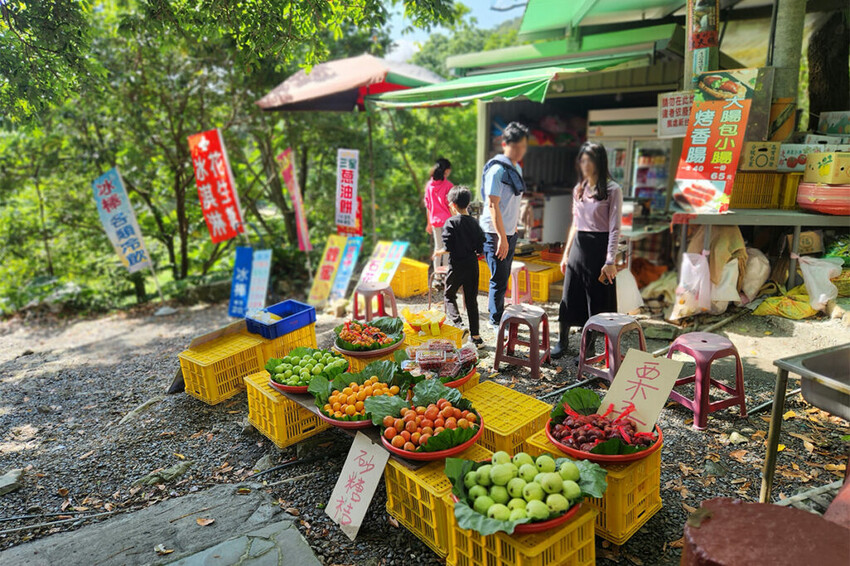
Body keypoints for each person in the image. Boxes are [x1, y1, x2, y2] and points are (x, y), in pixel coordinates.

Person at [551, 141, 622, 359]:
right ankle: (562, 342)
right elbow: (575, 222)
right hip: (578, 247)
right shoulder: (579, 189)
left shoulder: (612, 189)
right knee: (569, 295)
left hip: (599, 248)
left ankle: (588, 348)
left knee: (595, 299)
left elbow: (614, 227)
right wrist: (566, 254)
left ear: (599, 161)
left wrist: (610, 260)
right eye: (582, 160)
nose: (585, 164)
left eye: (589, 159)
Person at [479, 122, 528, 328]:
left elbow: (513, 201)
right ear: (504, 144)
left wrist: (513, 227)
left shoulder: (516, 168)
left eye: (523, 147)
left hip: (509, 231)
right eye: (515, 147)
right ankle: (495, 320)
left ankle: (498, 315)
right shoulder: (497, 170)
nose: (519, 151)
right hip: (493, 233)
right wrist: (501, 237)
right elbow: (492, 204)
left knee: (504, 275)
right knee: (498, 278)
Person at [433, 186, 486, 347]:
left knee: (449, 295)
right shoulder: (475, 223)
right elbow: (481, 247)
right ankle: (476, 337)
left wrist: (438, 252)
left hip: (456, 265)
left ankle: (459, 325)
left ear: (453, 205)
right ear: (468, 203)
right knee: (471, 300)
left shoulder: (451, 222)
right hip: (472, 264)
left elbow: (447, 247)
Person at [423, 158, 453, 270]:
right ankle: (445, 276)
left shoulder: (429, 186)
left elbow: (428, 207)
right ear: (446, 171)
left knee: (438, 248)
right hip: (447, 221)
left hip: (435, 222)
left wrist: (429, 223)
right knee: (446, 249)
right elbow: (451, 206)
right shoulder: (449, 186)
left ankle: (437, 278)